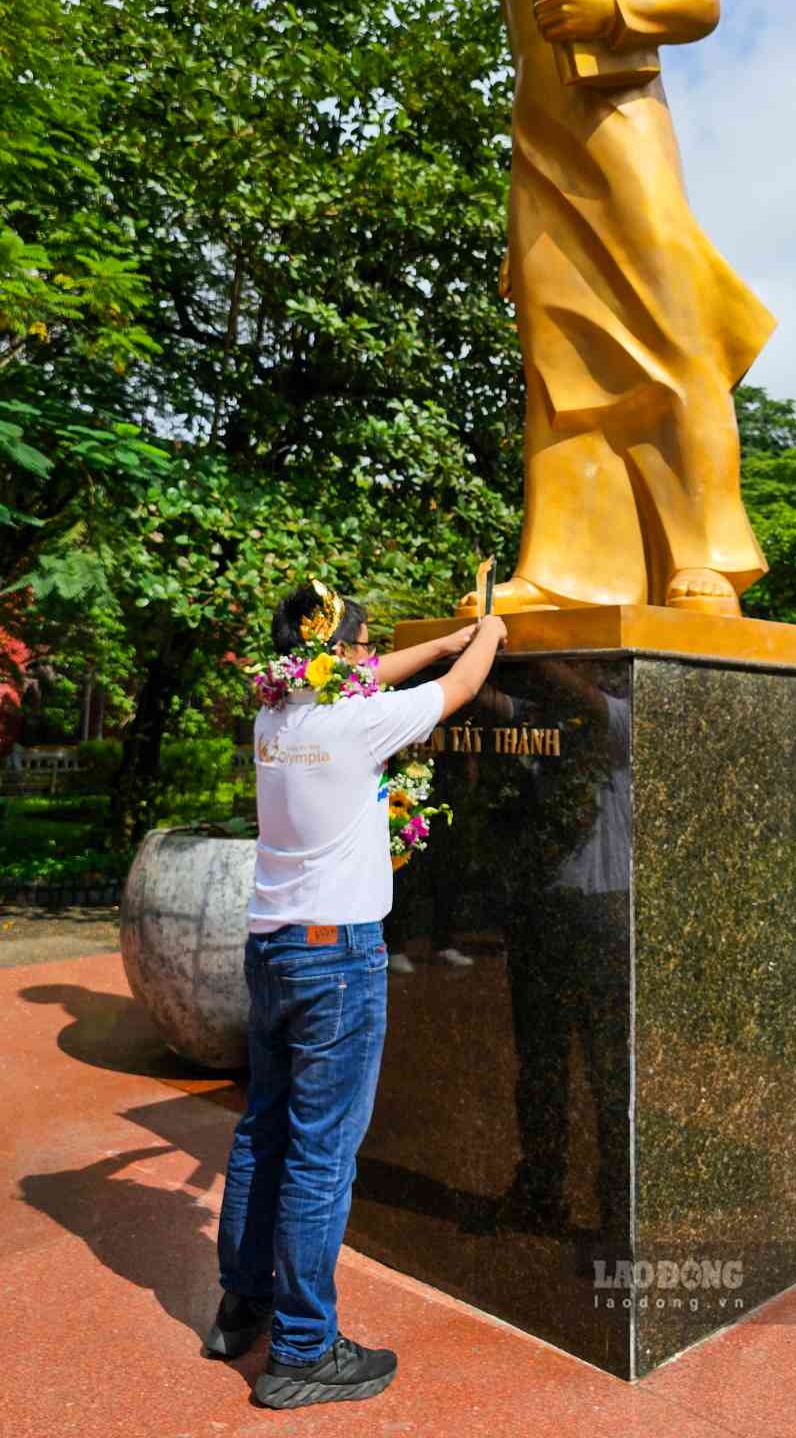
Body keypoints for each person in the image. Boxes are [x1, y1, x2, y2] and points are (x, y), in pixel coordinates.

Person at [462, 0, 776, 621]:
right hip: (541, 159)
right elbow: (526, 72)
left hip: (625, 137)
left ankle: (706, 554)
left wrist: (607, 6)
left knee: (678, 334)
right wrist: (517, 227)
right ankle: (565, 565)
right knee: (555, 364)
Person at [205, 582, 507, 1408]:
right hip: (336, 960)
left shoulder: (278, 718)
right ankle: (303, 1351)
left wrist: (439, 641)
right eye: (362, 640)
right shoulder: (357, 723)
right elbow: (463, 692)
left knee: (263, 1132)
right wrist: (487, 635)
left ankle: (243, 1306)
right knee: (320, 1155)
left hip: (271, 950)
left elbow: (367, 672)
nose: (371, 651)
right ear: (335, 651)